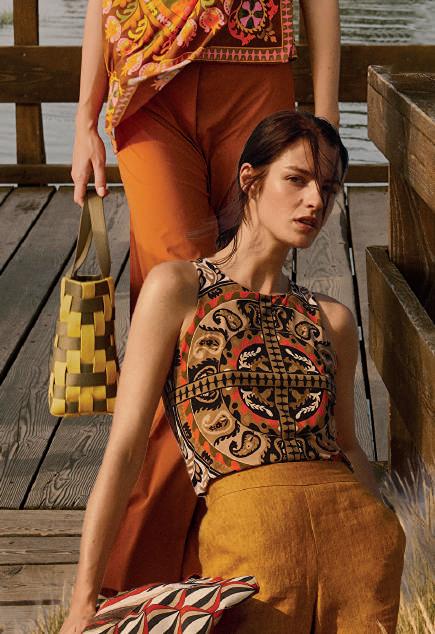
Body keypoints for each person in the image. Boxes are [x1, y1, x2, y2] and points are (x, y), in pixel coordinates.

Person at [61, 112, 406, 633]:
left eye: (328, 188)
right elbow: (127, 449)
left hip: (360, 549)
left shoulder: (331, 318)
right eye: (297, 179)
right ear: (251, 179)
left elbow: (348, 446)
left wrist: (385, 530)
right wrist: (83, 599)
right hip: (251, 544)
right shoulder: (179, 289)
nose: (315, 200)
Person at [71, 0, 343, 592]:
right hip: (146, 79)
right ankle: (136, 580)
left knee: (239, 311)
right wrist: (85, 117)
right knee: (180, 311)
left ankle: (229, 560)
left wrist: (324, 120)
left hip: (255, 68)